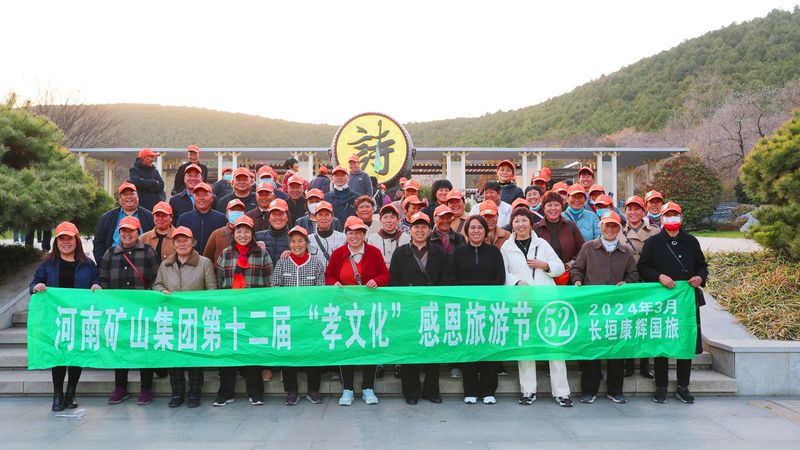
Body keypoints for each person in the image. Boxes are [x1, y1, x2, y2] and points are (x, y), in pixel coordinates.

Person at [500, 209, 573, 407]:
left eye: (524, 220)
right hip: (522, 303)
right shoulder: (506, 247)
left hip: (546, 302)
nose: (520, 224)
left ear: (531, 223)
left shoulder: (542, 244)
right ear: (511, 224)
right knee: (526, 348)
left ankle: (562, 392)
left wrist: (544, 265)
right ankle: (528, 390)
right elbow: (503, 273)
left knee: (554, 347)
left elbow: (559, 267)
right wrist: (516, 282)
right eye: (516, 221)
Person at [638, 201, 708, 404]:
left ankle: (683, 386)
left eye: (675, 215)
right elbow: (643, 267)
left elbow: (702, 266)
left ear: (681, 218)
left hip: (686, 300)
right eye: (667, 215)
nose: (671, 219)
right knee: (662, 340)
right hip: (663, 300)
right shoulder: (653, 243)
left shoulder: (691, 241)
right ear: (661, 218)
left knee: (684, 342)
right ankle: (661, 386)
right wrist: (659, 276)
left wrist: (699, 278)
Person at [30, 221, 101, 411]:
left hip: (79, 319)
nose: (66, 242)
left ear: (76, 240)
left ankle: (71, 393)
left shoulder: (88, 264)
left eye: (69, 238)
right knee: (59, 356)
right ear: (56, 242)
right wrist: (37, 287)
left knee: (76, 356)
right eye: (62, 239)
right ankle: (57, 394)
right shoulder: (48, 264)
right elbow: (34, 283)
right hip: (57, 319)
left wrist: (96, 287)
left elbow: (97, 282)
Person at [571, 211, 638, 404]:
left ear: (619, 229)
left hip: (617, 309)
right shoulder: (589, 247)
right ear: (600, 227)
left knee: (616, 349)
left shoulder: (625, 252)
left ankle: (615, 390)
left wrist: (627, 282)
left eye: (614, 226)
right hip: (592, 307)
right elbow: (577, 268)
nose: (610, 229)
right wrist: (576, 281)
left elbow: (633, 274)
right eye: (606, 225)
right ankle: (589, 389)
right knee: (591, 348)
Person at [325, 216, 390, 406]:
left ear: (364, 234)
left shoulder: (374, 252)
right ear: (346, 234)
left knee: (368, 346)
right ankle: (348, 389)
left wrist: (377, 281)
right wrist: (333, 283)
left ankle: (368, 388)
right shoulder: (338, 254)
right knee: (347, 347)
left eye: (359, 232)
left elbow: (385, 274)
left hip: (368, 308)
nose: (354, 236)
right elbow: (329, 276)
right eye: (351, 232)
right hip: (345, 309)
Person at [151, 226, 217, 408]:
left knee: (194, 357)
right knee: (175, 358)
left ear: (193, 242)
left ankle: (195, 392)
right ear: (173, 244)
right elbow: (156, 284)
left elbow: (212, 291)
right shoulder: (166, 265)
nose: (182, 243)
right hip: (172, 319)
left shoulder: (204, 263)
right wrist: (162, 290)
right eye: (178, 240)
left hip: (195, 318)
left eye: (185, 240)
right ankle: (177, 393)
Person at [99, 216, 161, 405]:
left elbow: (157, 277)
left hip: (144, 311)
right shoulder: (110, 253)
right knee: (121, 348)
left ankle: (145, 388)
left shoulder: (148, 252)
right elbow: (103, 279)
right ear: (119, 233)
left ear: (138, 232)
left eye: (131, 231)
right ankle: (120, 387)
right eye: (123, 231)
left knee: (145, 347)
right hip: (119, 312)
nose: (127, 234)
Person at [214, 215, 273, 406]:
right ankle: (225, 393)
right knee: (228, 351)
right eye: (239, 231)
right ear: (234, 233)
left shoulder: (261, 254)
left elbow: (269, 281)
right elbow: (219, 279)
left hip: (254, 311)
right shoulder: (226, 254)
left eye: (247, 231)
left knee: (252, 350)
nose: (242, 234)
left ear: (252, 233)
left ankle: (255, 392)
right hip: (230, 311)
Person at [389, 212, 448, 405]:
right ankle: (411, 392)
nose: (420, 230)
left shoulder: (439, 252)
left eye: (424, 226)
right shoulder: (401, 252)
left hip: (432, 307)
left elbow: (445, 281)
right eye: (416, 226)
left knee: (432, 349)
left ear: (430, 230)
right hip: (409, 309)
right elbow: (394, 281)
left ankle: (432, 391)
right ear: (410, 229)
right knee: (410, 349)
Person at [451, 215, 505, 404]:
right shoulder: (458, 253)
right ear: (466, 231)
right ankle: (470, 390)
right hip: (466, 309)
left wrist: (487, 300)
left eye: (480, 228)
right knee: (469, 349)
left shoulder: (494, 252)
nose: (476, 231)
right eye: (472, 228)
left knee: (488, 348)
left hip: (489, 308)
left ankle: (488, 390)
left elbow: (500, 279)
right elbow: (453, 280)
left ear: (485, 231)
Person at [272, 225, 327, 406]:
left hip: (310, 315)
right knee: (288, 352)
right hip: (288, 316)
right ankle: (292, 390)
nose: (297, 245)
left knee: (313, 351)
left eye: (300, 241)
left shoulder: (316, 262)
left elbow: (321, 289)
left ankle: (313, 389)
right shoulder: (283, 262)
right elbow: (275, 287)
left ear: (307, 243)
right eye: (293, 241)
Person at [619, 195, 660, 378]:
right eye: (629, 209)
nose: (633, 212)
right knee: (627, 322)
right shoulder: (619, 231)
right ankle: (628, 363)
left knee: (645, 323)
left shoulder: (654, 231)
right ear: (625, 211)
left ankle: (645, 364)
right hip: (627, 282)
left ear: (643, 211)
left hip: (648, 283)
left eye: (637, 209)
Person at [93, 181, 155, 263]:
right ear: (119, 198)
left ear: (137, 196)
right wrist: (103, 266)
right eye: (125, 194)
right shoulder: (106, 218)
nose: (129, 197)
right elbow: (98, 244)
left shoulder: (149, 217)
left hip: (142, 263)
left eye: (132, 193)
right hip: (113, 264)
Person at [534, 191, 585, 284]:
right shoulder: (536, 228)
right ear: (543, 207)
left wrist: (571, 263)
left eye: (556, 205)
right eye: (549, 205)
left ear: (562, 207)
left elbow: (582, 248)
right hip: (544, 277)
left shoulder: (570, 226)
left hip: (568, 277)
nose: (553, 208)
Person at [177, 182, 228, 253]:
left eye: (205, 195)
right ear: (194, 198)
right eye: (197, 195)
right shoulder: (184, 218)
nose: (201, 198)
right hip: (190, 261)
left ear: (212, 198)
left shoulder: (222, 219)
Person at [203, 199, 246, 264]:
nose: (236, 213)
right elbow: (206, 259)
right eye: (233, 210)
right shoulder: (217, 234)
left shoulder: (248, 234)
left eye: (239, 211)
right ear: (226, 214)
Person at [368, 203, 411, 269]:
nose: (388, 221)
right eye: (385, 217)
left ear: (398, 220)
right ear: (380, 220)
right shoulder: (372, 239)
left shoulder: (406, 238)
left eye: (392, 217)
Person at [307, 201, 346, 268]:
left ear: (332, 217)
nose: (324, 218)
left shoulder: (343, 237)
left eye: (327, 214)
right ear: (315, 217)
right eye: (320, 214)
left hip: (335, 277)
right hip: (315, 277)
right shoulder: (308, 239)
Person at [255, 198, 291, 264]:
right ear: (269, 218)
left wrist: (295, 254)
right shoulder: (257, 236)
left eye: (281, 214)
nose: (277, 217)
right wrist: (254, 247)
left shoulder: (294, 238)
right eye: (274, 214)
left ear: (287, 217)